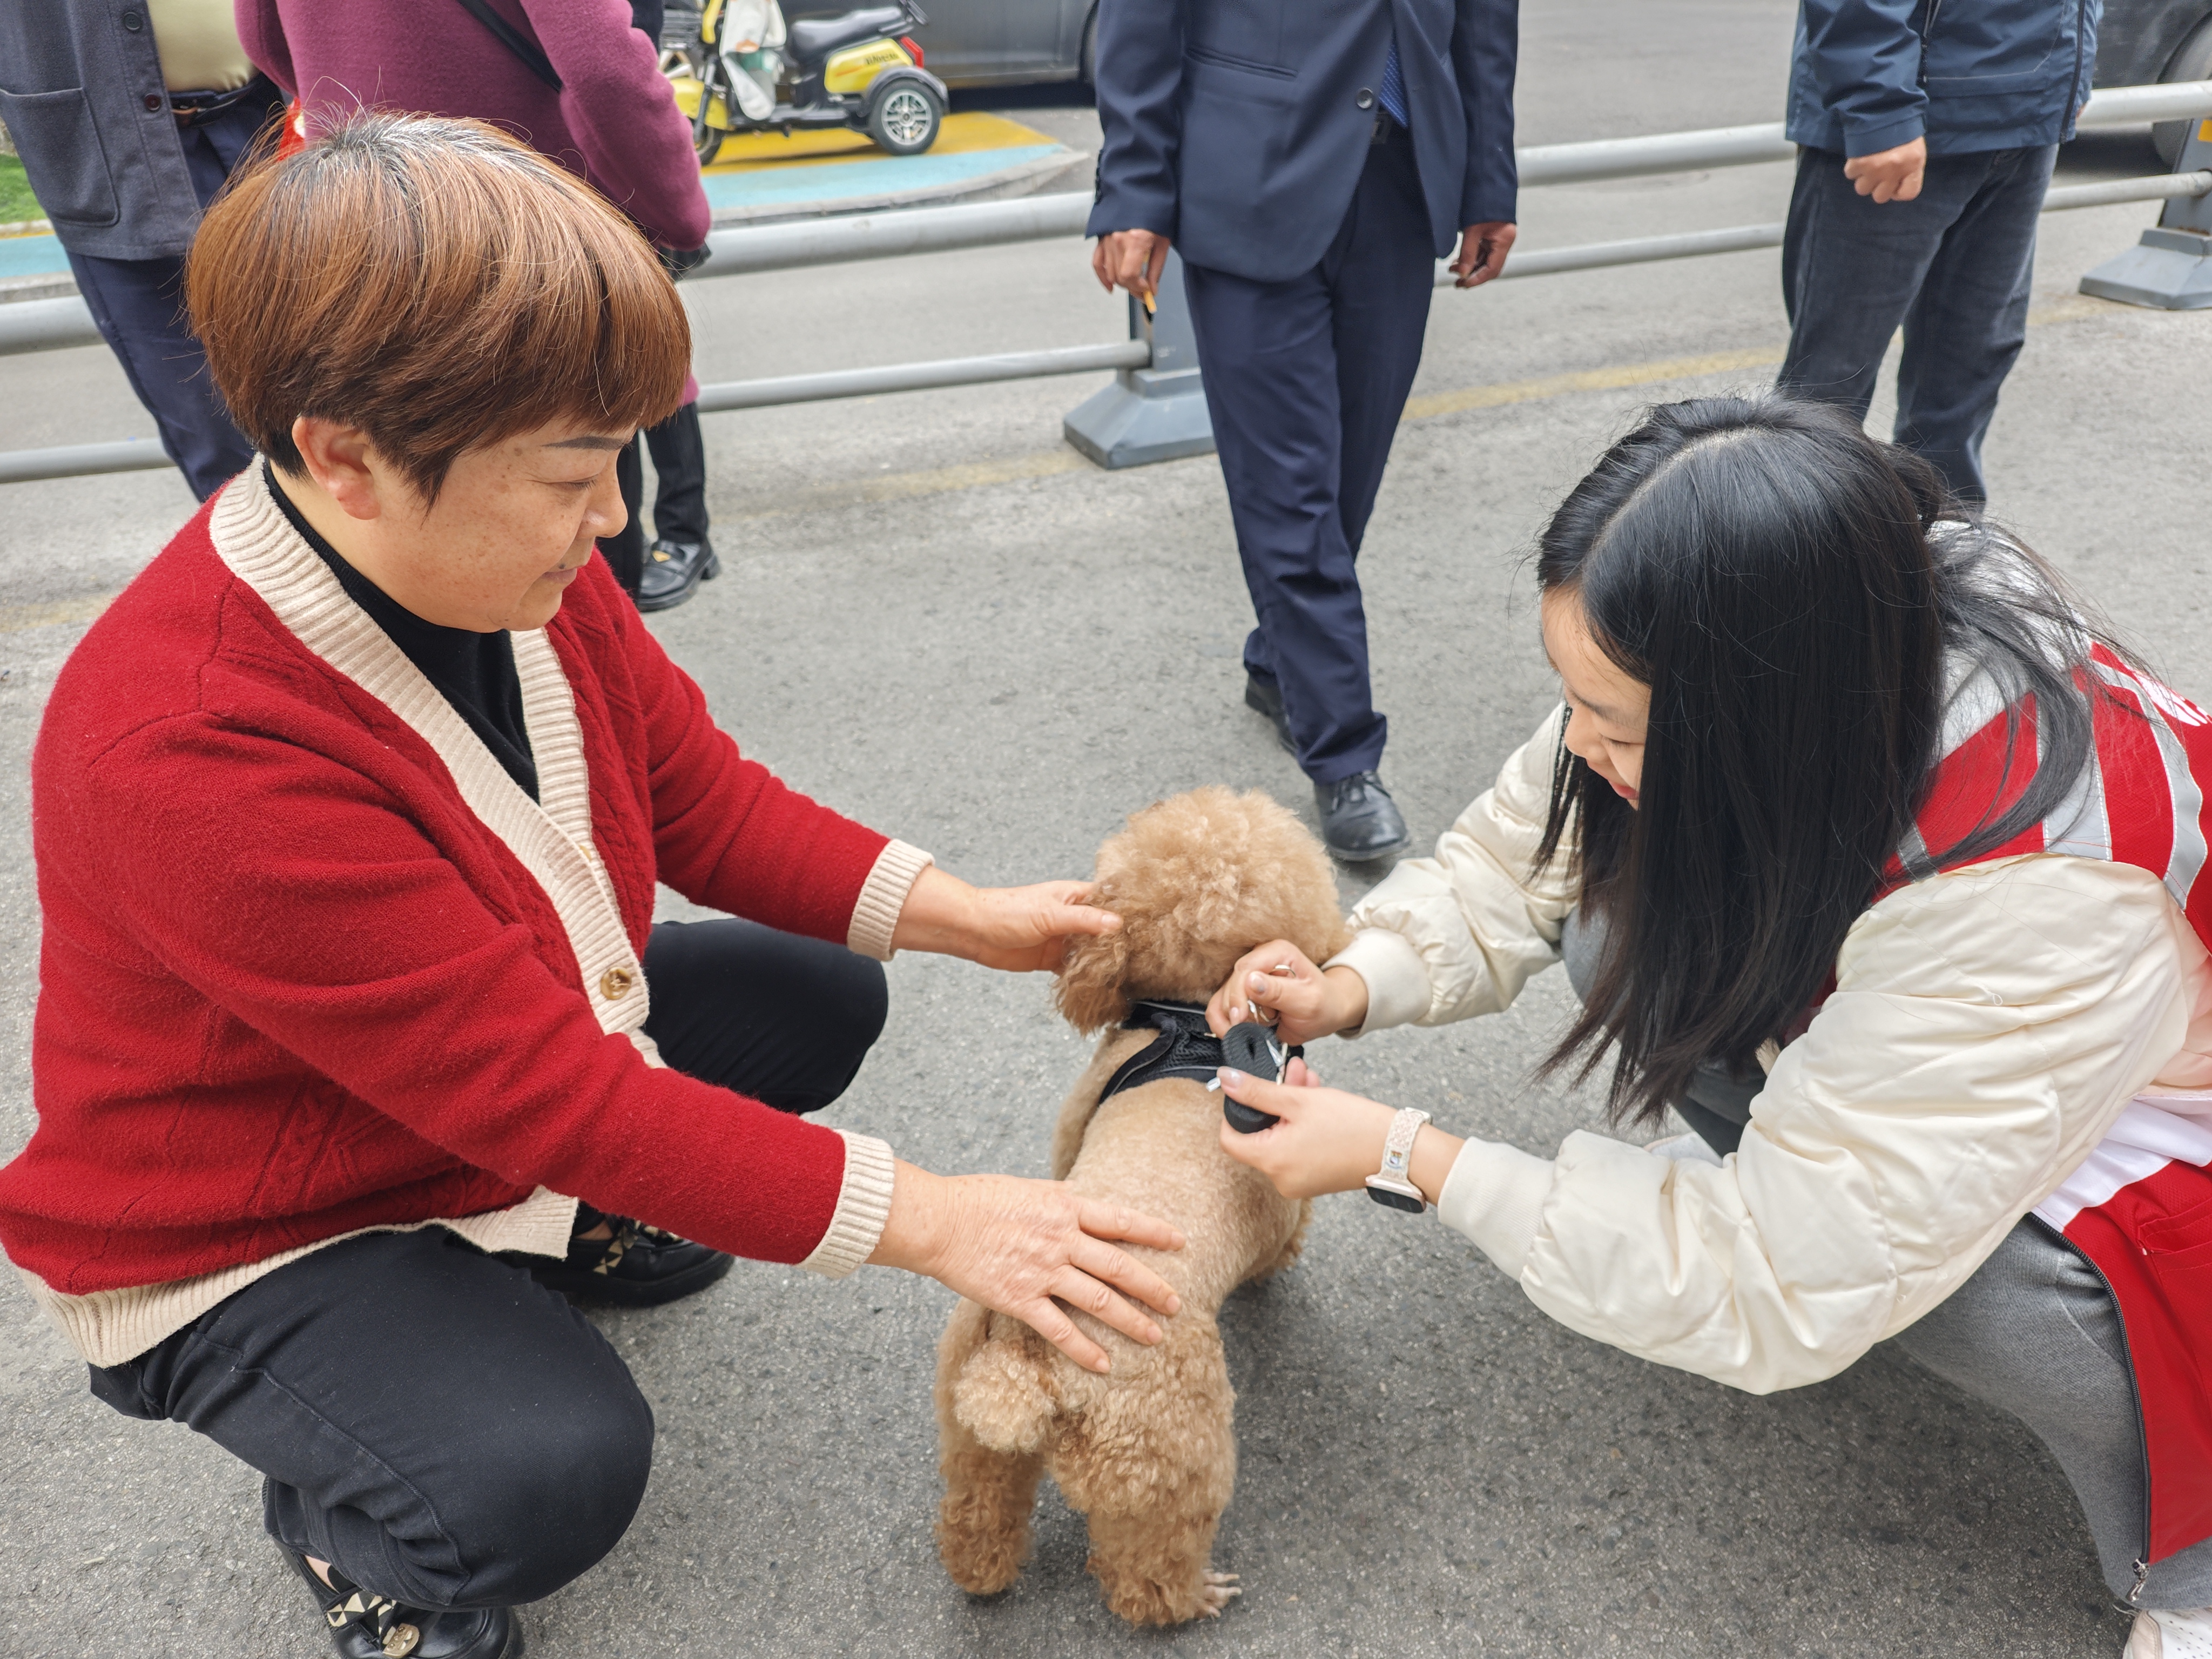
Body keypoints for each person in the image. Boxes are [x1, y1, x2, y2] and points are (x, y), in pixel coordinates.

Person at [0, 114, 1185, 1659]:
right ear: (344, 458)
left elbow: (700, 796)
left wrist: (976, 916)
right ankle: (351, 1525)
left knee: (819, 994)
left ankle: (555, 1240)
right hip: (262, 1210)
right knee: (549, 1474)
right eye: (574, 470)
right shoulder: (187, 744)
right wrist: (947, 1219)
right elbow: (551, 1096)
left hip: (468, 1086)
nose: (616, 514)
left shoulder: (504, 561)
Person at [1203, 396, 2212, 1657]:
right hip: (1983, 1041)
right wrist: (1355, 978)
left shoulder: (2035, 891)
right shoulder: (1808, 616)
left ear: (1758, 706)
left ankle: (2193, 1557)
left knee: (1967, 1292)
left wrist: (1405, 1154)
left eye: (1613, 720)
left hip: (2158, 1132)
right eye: (1570, 697)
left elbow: (1776, 1282)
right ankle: (1793, 1182)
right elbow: (1524, 856)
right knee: (1610, 910)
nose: (1576, 740)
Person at [1085, 0, 1520, 863]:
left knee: (1348, 480)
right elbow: (1141, 19)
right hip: (1250, 174)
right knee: (1290, 494)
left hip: (1404, 180)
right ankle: (1344, 755)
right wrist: (1134, 187)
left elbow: (1486, 20)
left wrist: (1486, 181)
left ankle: (1280, 666)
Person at [238, 0, 722, 612]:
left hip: (370, 231)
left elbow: (261, 37)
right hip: (535, 233)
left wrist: (355, 94)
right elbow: (603, 67)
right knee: (574, 544)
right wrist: (678, 210)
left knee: (423, 517)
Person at [1775, 0, 2100, 502]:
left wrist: (2071, 71)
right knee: (1830, 385)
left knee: (1971, 363)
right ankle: (1802, 542)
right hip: (1910, 111)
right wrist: (1879, 106)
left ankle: (1948, 535)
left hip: (2027, 105)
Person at [0, 1, 285, 500]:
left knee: (339, 382)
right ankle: (261, 548)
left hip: (271, 119)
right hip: (108, 158)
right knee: (211, 431)